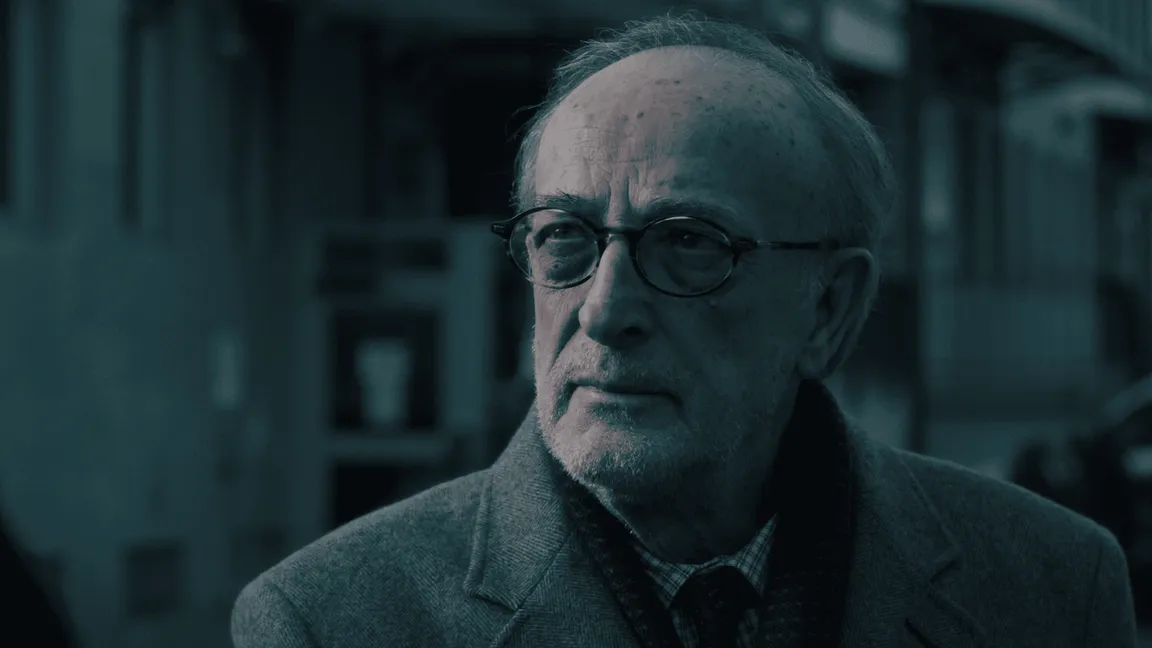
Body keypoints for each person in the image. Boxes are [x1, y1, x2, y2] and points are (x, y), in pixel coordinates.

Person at [231, 13, 1136, 648]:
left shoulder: (1050, 586)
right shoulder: (329, 622)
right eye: (564, 238)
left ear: (828, 309)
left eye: (691, 245)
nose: (604, 308)